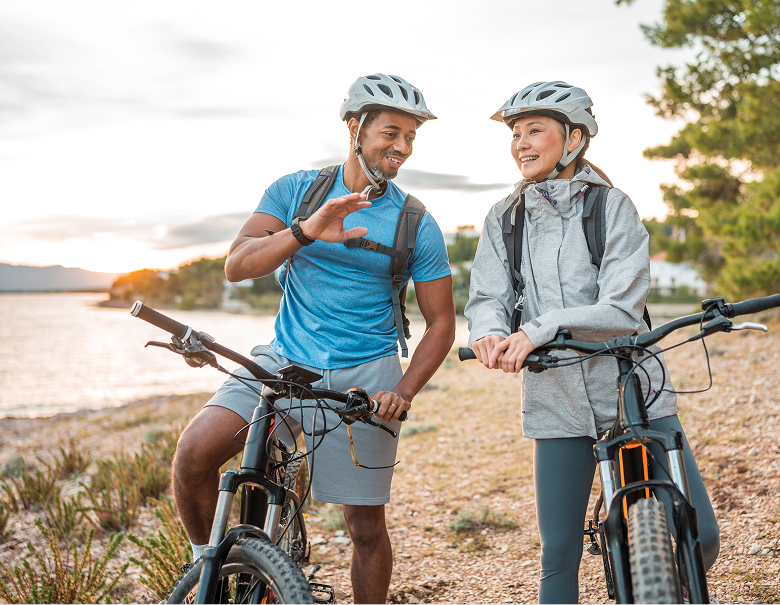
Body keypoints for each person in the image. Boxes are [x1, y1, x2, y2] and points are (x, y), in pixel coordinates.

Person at [172, 73, 456, 604]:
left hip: (366, 374)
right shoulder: (293, 191)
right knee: (193, 455)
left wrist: (404, 391)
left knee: (365, 527)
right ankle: (212, 570)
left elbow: (441, 322)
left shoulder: (416, 221)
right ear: (355, 128)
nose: (401, 147)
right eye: (391, 133)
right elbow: (236, 265)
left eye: (410, 138)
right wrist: (305, 229)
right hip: (282, 361)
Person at [464, 81, 719, 603]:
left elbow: (622, 308)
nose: (521, 143)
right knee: (559, 556)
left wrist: (538, 328)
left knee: (703, 535)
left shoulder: (612, 207)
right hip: (554, 399)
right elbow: (488, 295)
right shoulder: (503, 219)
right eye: (516, 133)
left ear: (574, 138)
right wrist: (488, 331)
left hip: (632, 388)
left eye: (535, 130)